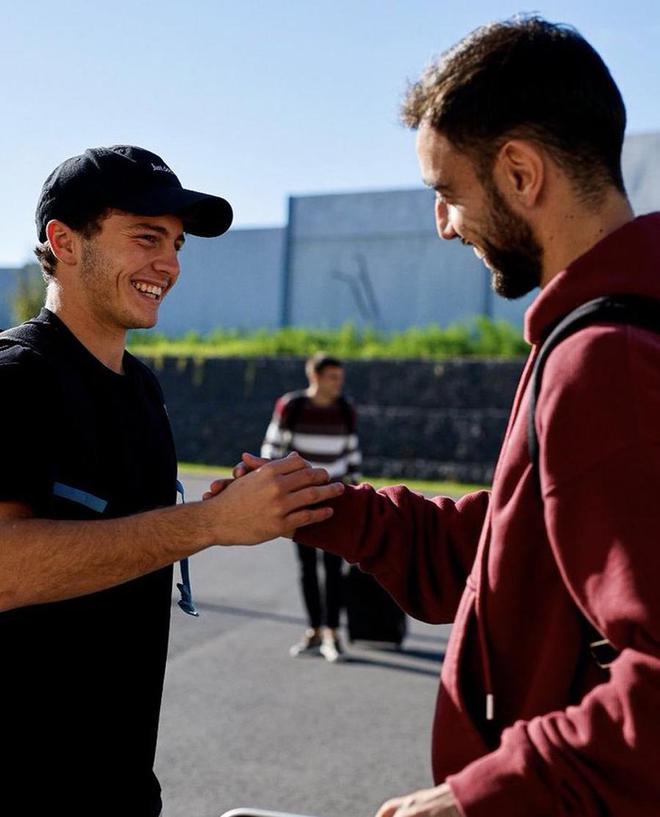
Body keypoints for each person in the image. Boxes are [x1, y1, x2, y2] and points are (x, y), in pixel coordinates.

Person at [223, 16, 660, 816]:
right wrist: (326, 507)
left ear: (521, 173)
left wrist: (476, 798)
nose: (443, 224)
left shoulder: (608, 359)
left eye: (446, 192)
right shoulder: (605, 332)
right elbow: (503, 558)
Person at [0, 145, 344, 817]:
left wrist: (236, 507)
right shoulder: (15, 378)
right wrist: (208, 525)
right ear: (63, 242)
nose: (171, 264)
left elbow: (136, 538)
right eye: (147, 238)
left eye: (178, 244)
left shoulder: (142, 391)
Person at [261, 352, 362, 661]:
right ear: (314, 377)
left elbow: (352, 451)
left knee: (334, 568)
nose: (338, 384)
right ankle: (314, 630)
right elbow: (272, 447)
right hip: (300, 498)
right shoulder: (292, 406)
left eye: (340, 378)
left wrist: (356, 493)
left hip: (336, 497)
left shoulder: (345, 409)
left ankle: (332, 633)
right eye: (333, 377)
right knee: (306, 567)